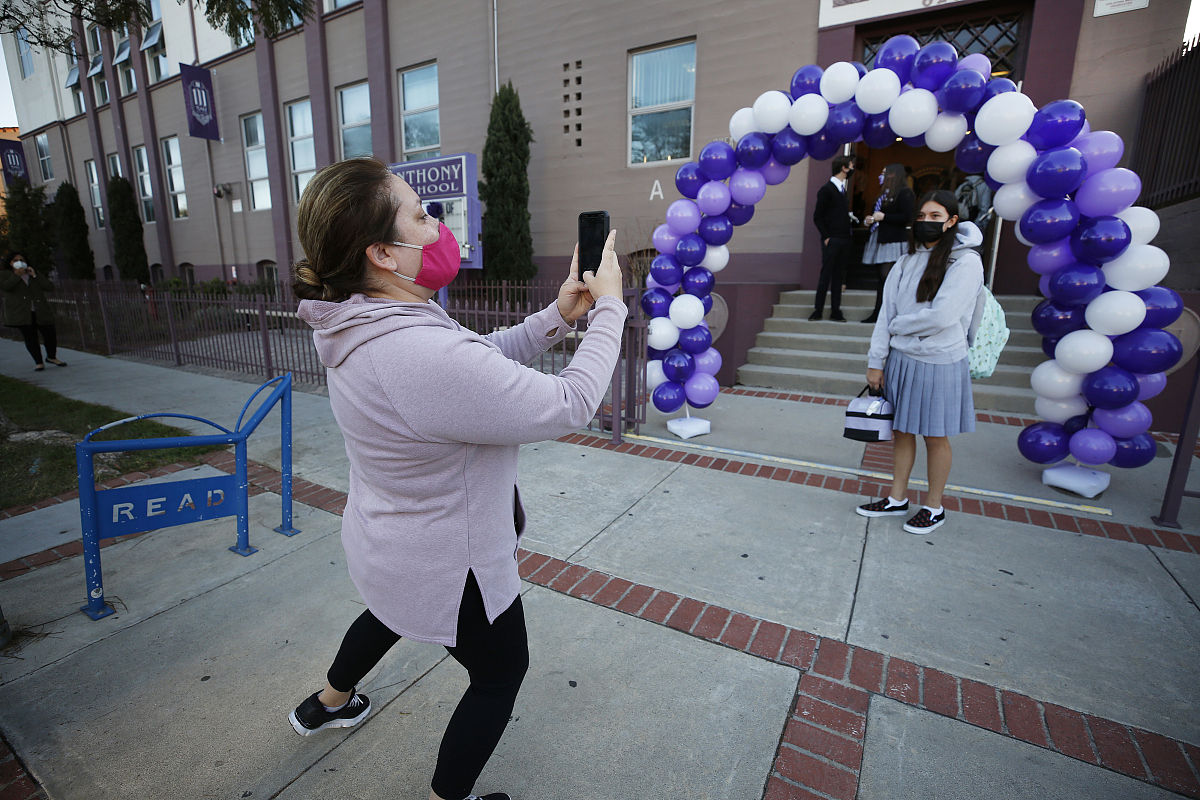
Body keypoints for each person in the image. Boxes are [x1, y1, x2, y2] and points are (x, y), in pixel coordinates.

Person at [287, 157, 628, 800]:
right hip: (450, 560)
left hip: (393, 543)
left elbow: (476, 362)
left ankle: (328, 702)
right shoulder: (412, 349)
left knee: (389, 612)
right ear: (384, 253)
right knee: (501, 674)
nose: (436, 225)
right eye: (421, 216)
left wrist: (558, 316)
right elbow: (568, 404)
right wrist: (610, 308)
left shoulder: (368, 320)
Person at [856, 190, 984, 535]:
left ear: (952, 221)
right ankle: (897, 498)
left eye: (936, 216)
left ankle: (934, 506)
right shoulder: (906, 259)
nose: (927, 222)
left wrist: (900, 327)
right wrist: (876, 360)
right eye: (923, 216)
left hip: (940, 360)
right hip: (901, 358)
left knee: (935, 436)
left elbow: (943, 315)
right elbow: (886, 314)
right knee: (901, 432)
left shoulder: (966, 262)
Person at [861, 163, 916, 324]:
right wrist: (870, 219)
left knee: (889, 278)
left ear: (894, 175)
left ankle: (891, 314)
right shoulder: (882, 194)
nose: (882, 176)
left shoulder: (905, 193)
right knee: (881, 278)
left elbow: (907, 216)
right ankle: (878, 313)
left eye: (885, 173)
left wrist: (884, 217)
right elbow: (876, 213)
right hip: (879, 237)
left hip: (894, 240)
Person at [810, 154, 858, 322]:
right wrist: (826, 236)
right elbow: (818, 216)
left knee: (839, 276)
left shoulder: (842, 190)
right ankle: (818, 310)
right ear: (843, 167)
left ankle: (835, 311)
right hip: (833, 239)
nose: (852, 169)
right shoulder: (827, 189)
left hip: (844, 239)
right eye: (850, 166)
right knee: (826, 275)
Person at [1, 253, 66, 370]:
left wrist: (35, 275)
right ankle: (38, 362)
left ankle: (51, 356)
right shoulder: (5, 275)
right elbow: (6, 287)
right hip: (23, 313)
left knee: (50, 334)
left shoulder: (31, 273)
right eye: (15, 260)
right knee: (31, 338)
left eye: (22, 259)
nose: (19, 262)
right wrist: (16, 275)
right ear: (10, 263)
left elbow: (49, 287)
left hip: (40, 310)